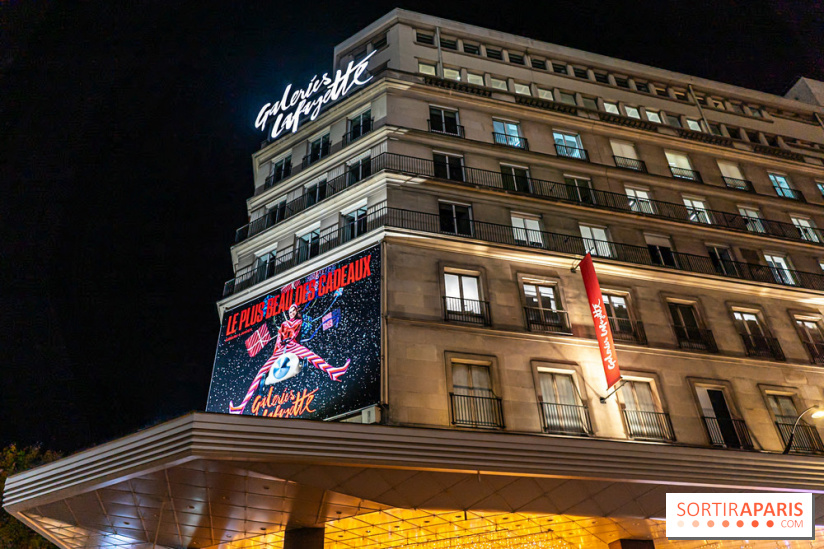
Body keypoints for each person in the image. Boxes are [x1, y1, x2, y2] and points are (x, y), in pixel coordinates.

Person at [228, 303, 350, 414]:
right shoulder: (283, 324)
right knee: (261, 372)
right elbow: (278, 339)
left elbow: (295, 334)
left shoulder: (299, 322)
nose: (291, 313)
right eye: (290, 311)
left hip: (293, 345)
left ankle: (333, 372)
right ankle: (241, 406)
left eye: (293, 311)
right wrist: (277, 352)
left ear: (296, 312)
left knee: (312, 356)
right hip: (282, 348)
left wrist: (289, 340)